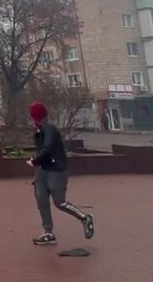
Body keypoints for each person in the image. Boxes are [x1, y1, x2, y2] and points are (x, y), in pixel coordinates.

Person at [26, 101, 95, 246]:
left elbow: (48, 148)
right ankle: (48, 233)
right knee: (41, 200)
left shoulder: (49, 129)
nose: (31, 119)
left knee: (60, 202)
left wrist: (35, 160)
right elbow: (41, 150)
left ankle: (84, 218)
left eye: (32, 116)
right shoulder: (38, 130)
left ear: (36, 116)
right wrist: (36, 160)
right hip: (42, 171)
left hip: (56, 170)